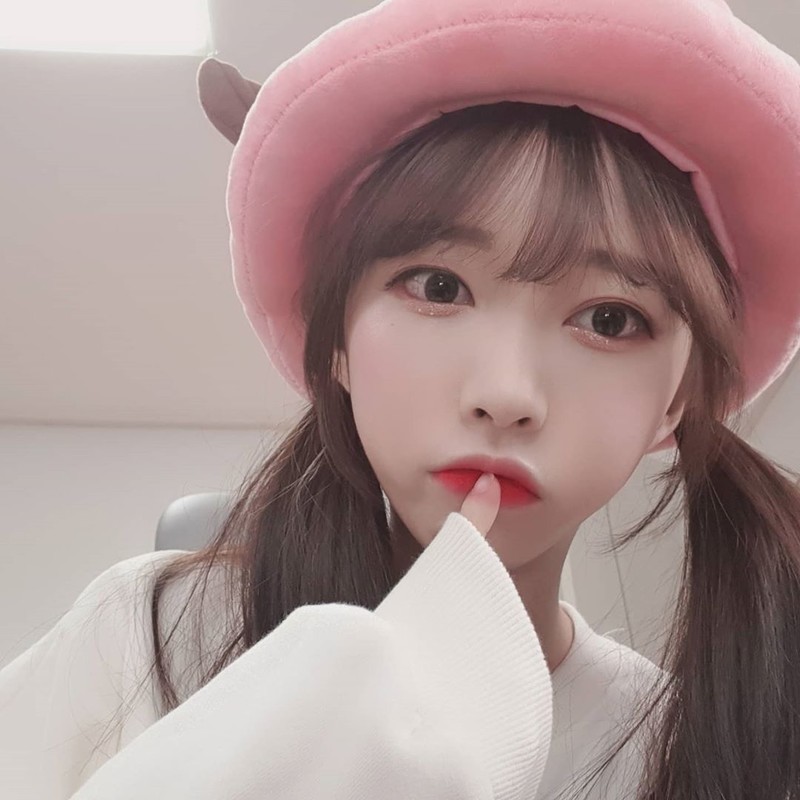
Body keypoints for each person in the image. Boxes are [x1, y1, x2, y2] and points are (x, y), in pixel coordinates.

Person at [2, 0, 800, 797]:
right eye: (438, 287)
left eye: (610, 320)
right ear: (338, 341)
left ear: (676, 404)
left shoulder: (674, 752)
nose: (505, 395)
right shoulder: (149, 633)